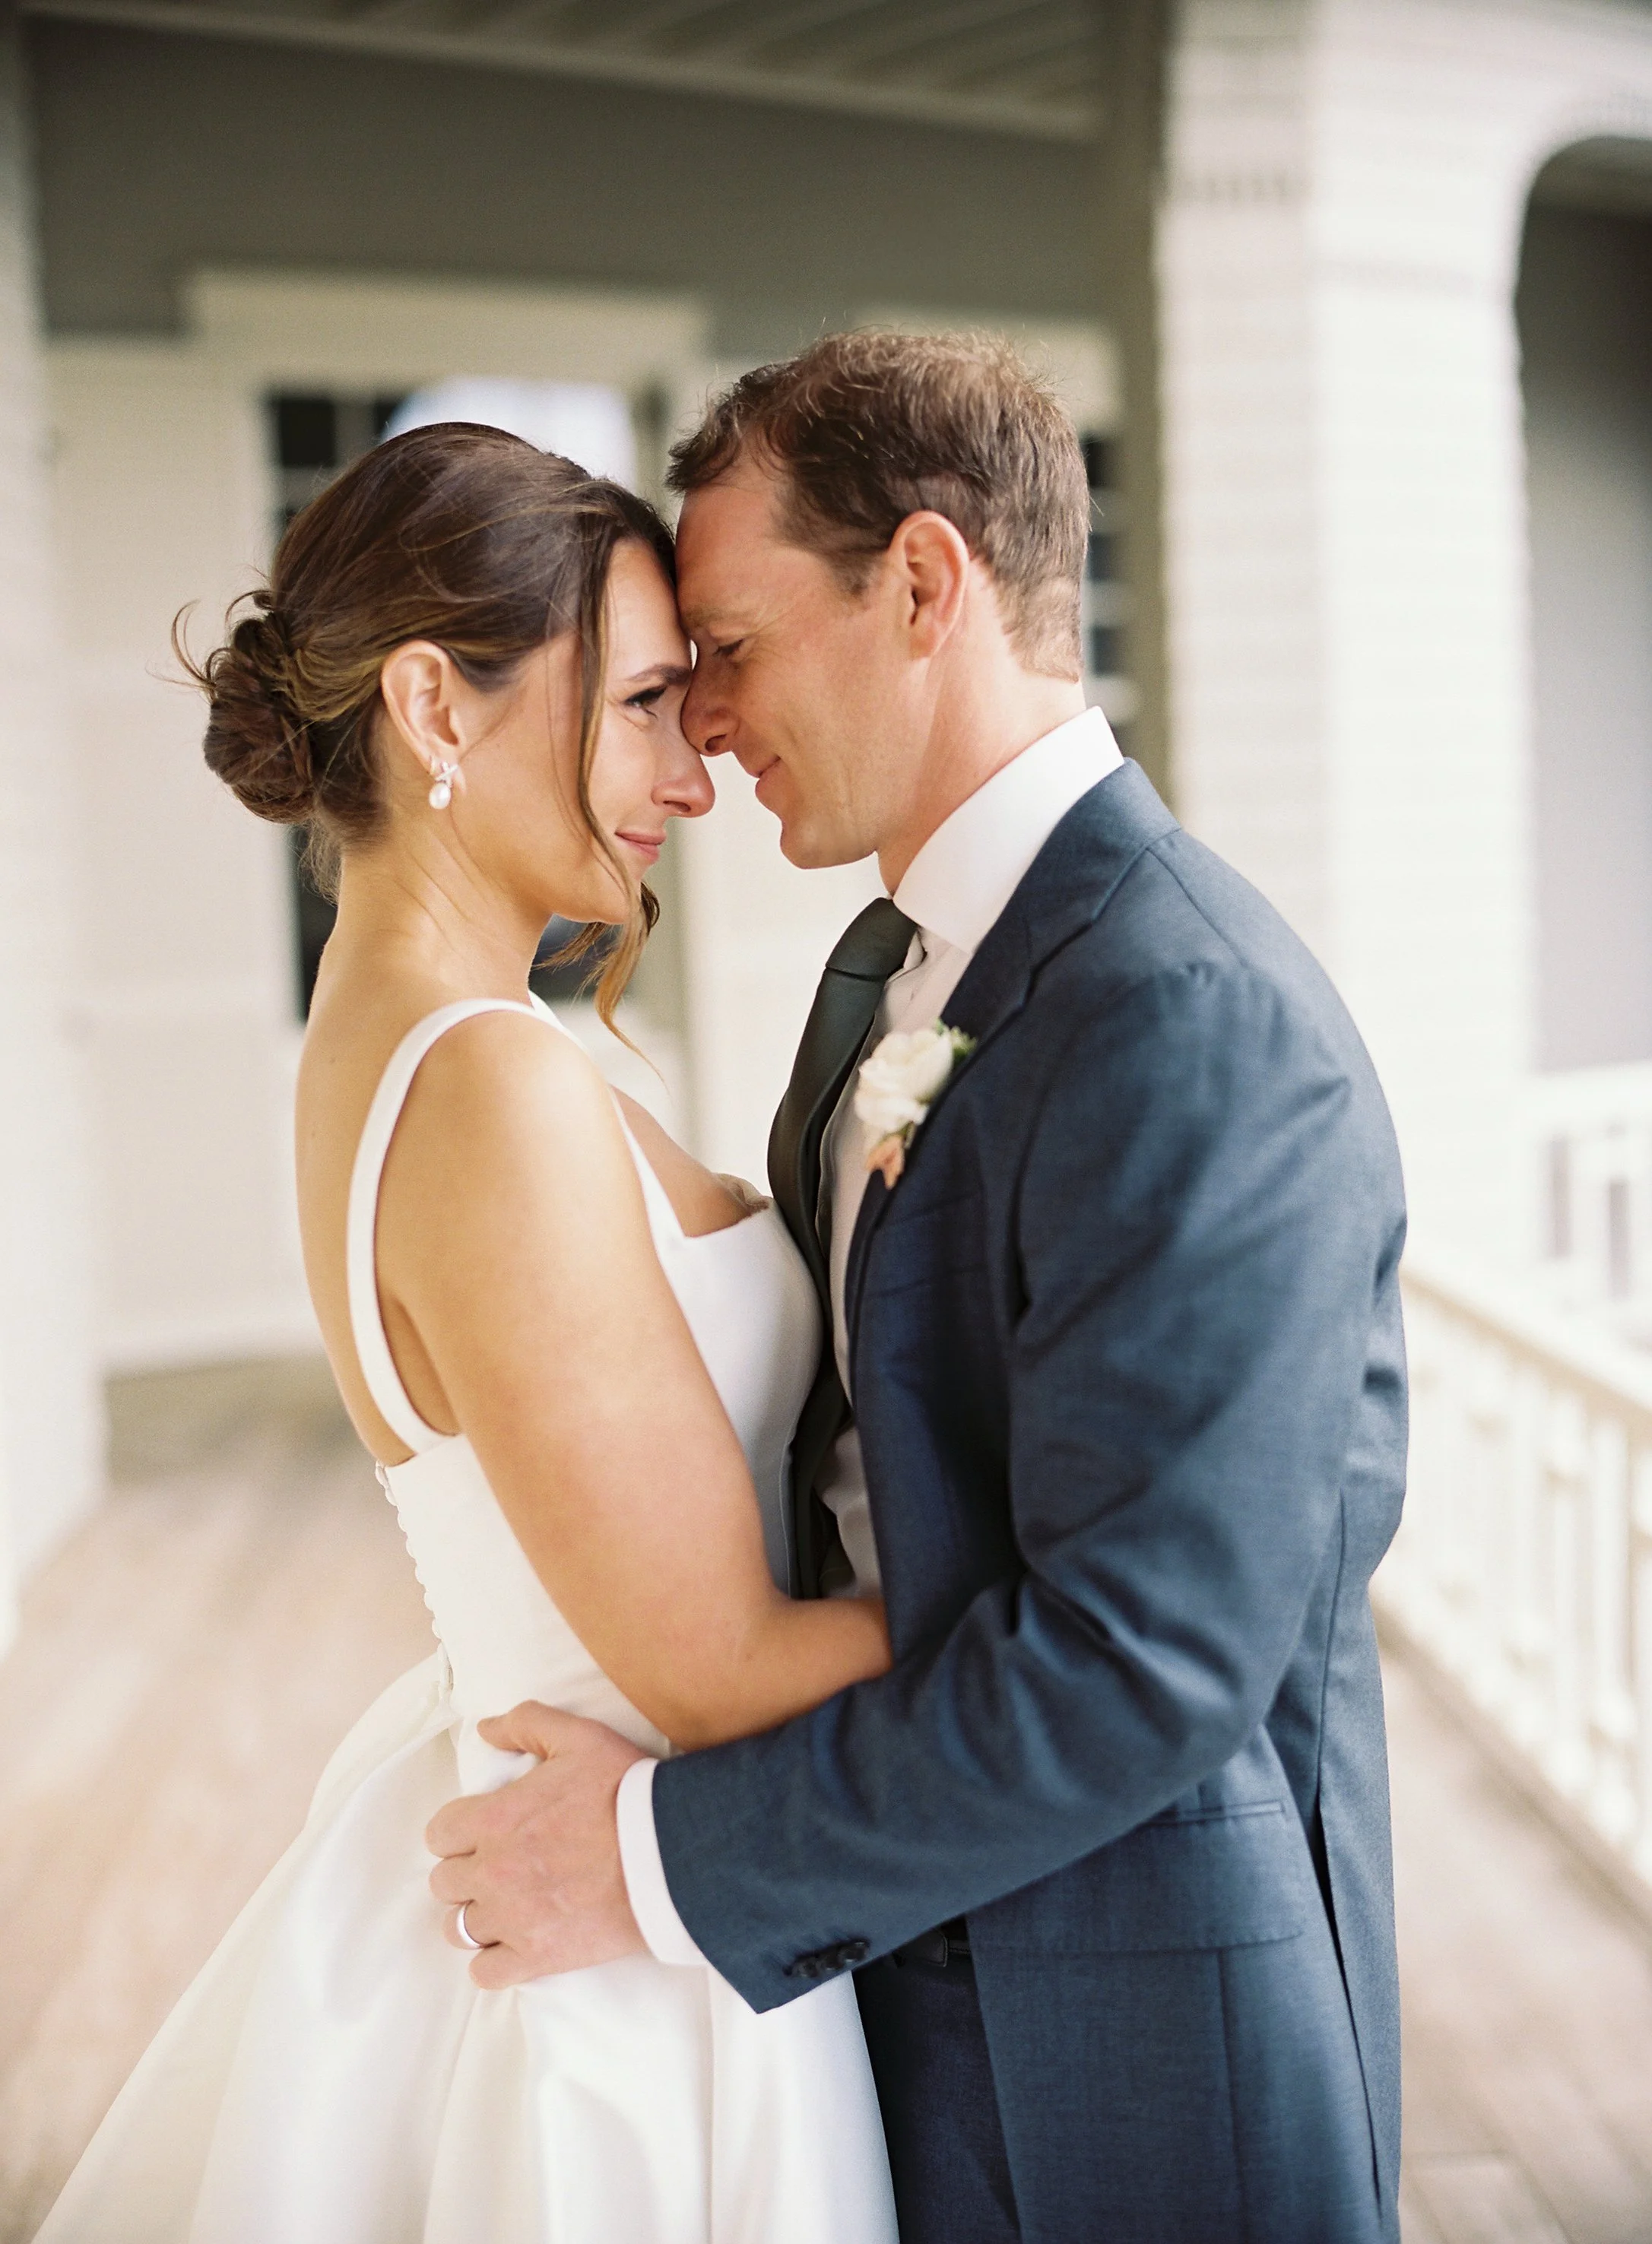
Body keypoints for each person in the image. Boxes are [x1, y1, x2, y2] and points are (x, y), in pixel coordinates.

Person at [429, 332, 1409, 2244]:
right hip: (883, 1989)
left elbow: (1142, 1662)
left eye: (729, 644)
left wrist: (651, 1861)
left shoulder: (1189, 1015)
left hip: (1136, 2044)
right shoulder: (889, 971)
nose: (705, 721)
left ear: (924, 584)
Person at [36, 424, 898, 2244]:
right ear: (433, 704)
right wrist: (1090, 1595)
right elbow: (720, 1668)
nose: (693, 771)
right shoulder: (487, 1085)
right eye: (643, 702)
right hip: (623, 1956)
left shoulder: (428, 1035)